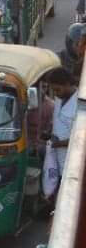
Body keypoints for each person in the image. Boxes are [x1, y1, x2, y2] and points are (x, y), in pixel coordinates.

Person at [46, 67, 78, 202]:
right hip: (56, 160)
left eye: (58, 90)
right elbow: (57, 122)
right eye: (53, 90)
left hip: (72, 164)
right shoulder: (59, 99)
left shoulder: (80, 104)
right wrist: (50, 134)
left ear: (68, 84)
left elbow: (80, 139)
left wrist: (58, 143)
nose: (56, 94)